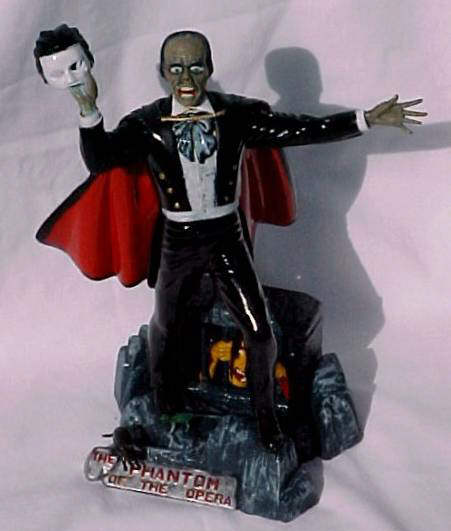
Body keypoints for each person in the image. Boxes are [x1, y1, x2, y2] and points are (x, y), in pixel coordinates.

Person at [35, 27, 426, 454]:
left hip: (226, 236)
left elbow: (299, 130)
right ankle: (169, 409)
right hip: (177, 239)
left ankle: (266, 418)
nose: (186, 78)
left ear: (210, 69)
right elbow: (102, 160)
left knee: (259, 331)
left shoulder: (235, 114)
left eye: (195, 67)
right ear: (163, 73)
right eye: (176, 68)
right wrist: (88, 109)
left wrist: (365, 119)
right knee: (166, 324)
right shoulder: (147, 123)